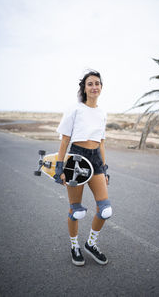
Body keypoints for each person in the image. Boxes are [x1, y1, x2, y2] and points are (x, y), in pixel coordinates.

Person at [55, 70, 112, 266]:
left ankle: (91, 243)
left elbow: (102, 142)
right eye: (90, 83)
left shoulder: (103, 112)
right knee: (76, 210)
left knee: (105, 210)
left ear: (101, 87)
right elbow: (65, 139)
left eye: (97, 83)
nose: (94, 86)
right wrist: (60, 167)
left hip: (95, 159)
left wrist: (104, 169)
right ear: (84, 88)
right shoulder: (75, 109)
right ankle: (74, 246)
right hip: (76, 159)